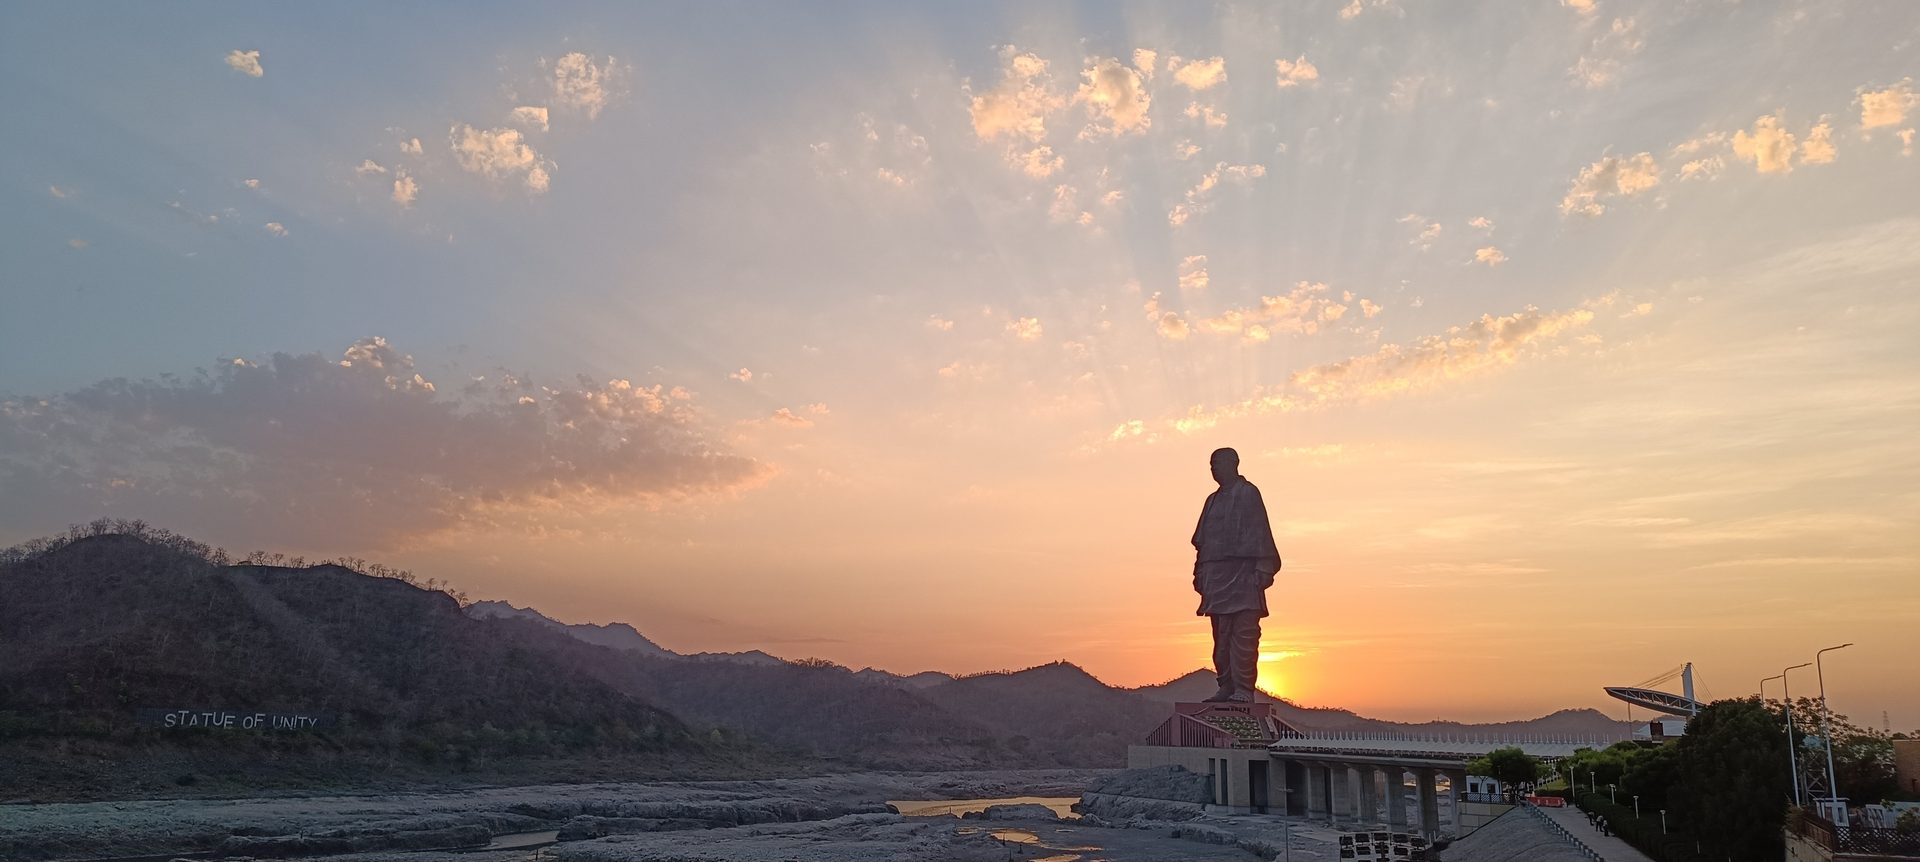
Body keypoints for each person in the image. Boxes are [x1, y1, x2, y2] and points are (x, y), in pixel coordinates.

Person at [1190, 447, 1282, 703]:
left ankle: (1243, 688)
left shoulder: (1248, 493)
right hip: (1216, 575)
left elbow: (1261, 532)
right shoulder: (1211, 500)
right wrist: (1200, 571)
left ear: (1233, 463)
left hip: (1243, 574)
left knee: (1244, 634)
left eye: (1217, 463)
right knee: (1221, 638)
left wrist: (1263, 567)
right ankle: (1226, 685)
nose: (1214, 469)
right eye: (1211, 465)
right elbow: (1201, 542)